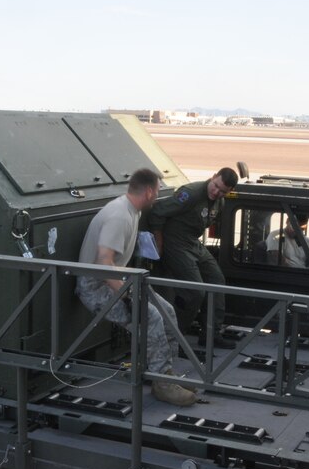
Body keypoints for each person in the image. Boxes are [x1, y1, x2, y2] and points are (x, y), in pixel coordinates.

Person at [75, 168, 195, 407]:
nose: (158, 195)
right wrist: (129, 295)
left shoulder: (131, 211)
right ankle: (163, 385)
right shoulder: (120, 215)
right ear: (149, 191)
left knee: (167, 311)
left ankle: (164, 374)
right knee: (150, 317)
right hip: (96, 286)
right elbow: (103, 262)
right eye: (158, 190)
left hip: (115, 281)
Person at [146, 167, 238, 335]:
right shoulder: (191, 194)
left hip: (192, 243)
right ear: (213, 177)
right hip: (175, 244)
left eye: (222, 191)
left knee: (217, 280)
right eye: (215, 186)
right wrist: (158, 242)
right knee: (195, 292)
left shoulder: (220, 202)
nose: (216, 192)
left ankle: (211, 334)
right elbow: (157, 212)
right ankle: (174, 335)